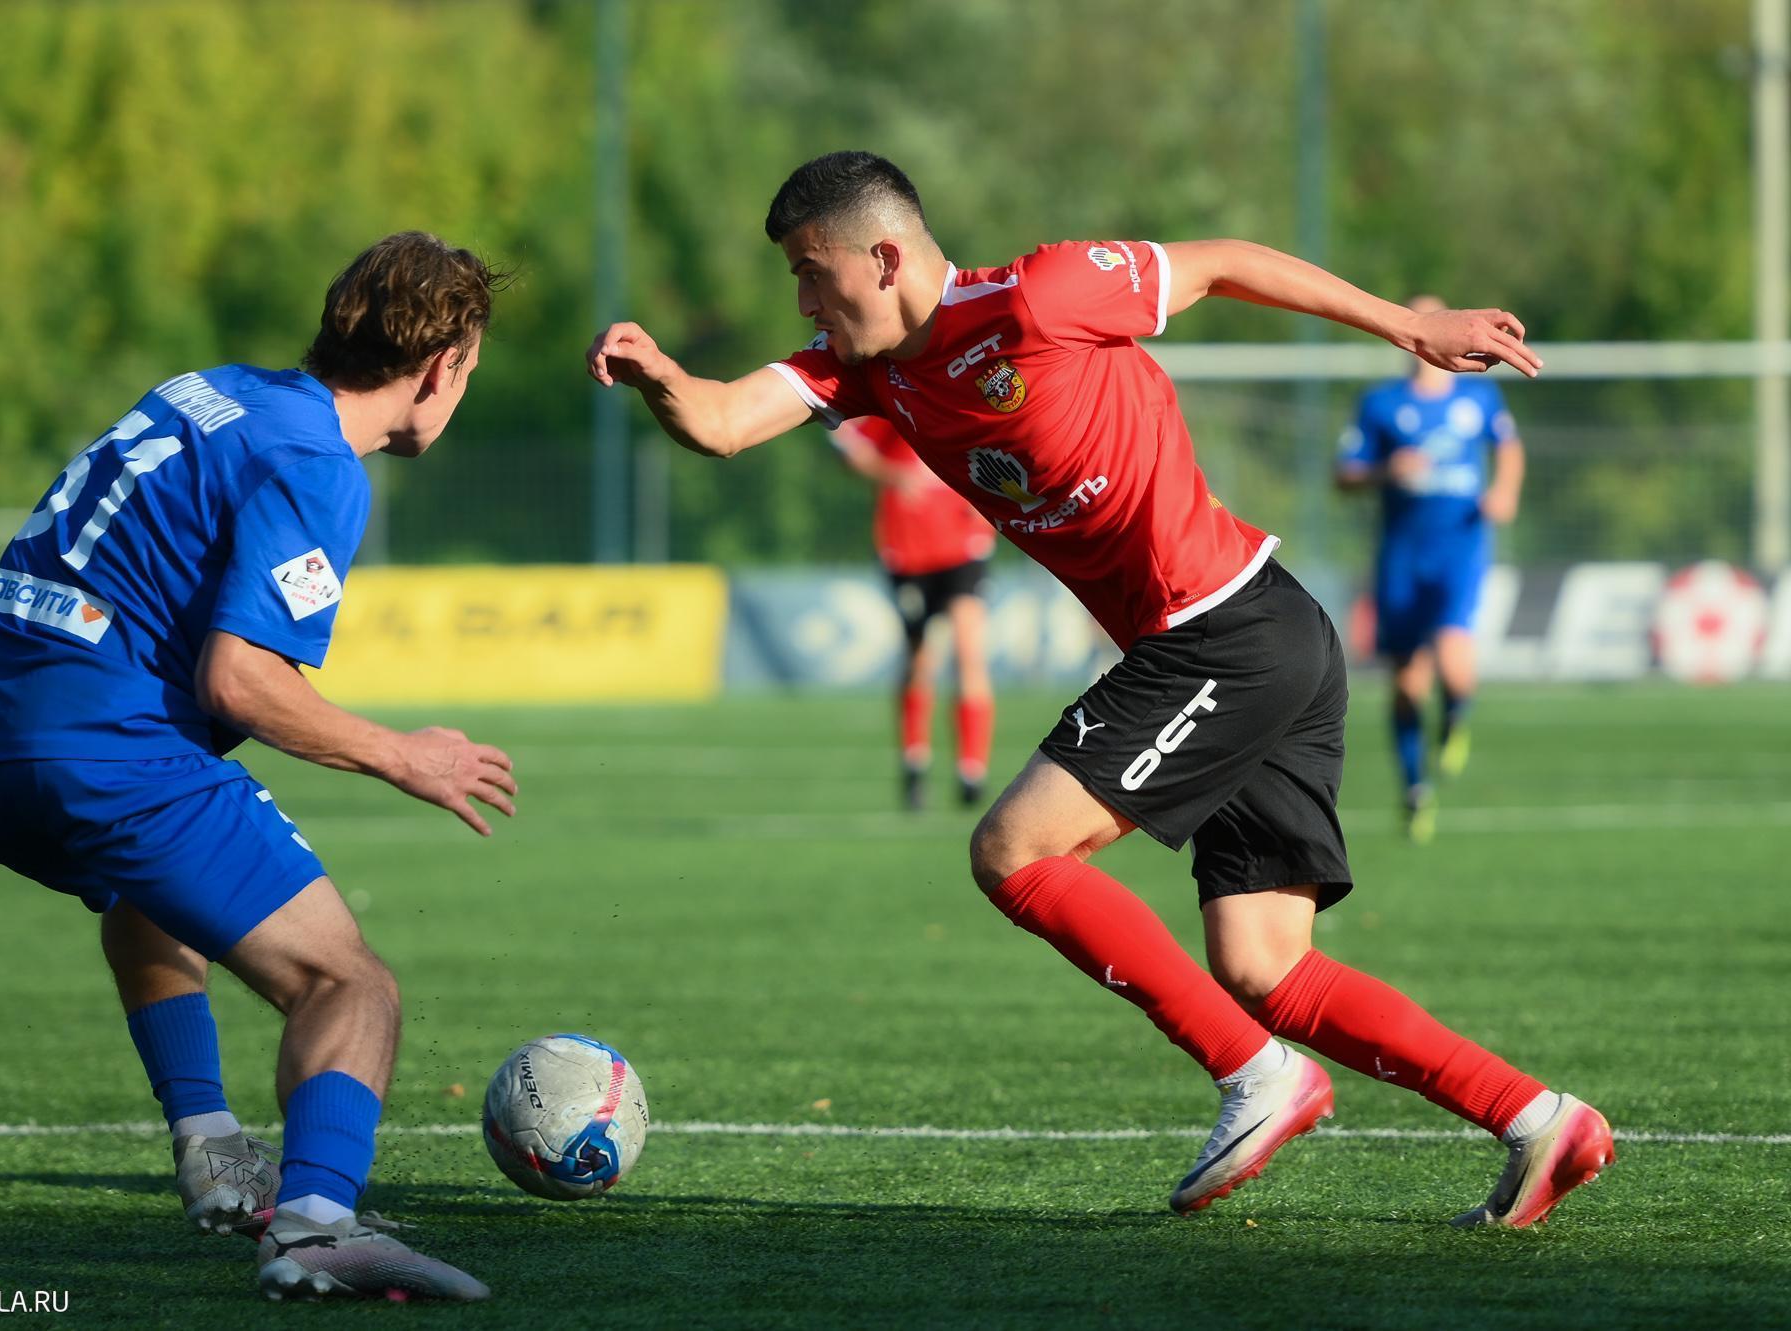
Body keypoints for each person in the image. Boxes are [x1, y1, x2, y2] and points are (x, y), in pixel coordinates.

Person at [587, 151, 1612, 1226]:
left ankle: (1254, 1073)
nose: (802, 300)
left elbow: (1221, 263)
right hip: (1256, 634)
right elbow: (720, 421)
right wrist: (659, 374)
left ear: (883, 258)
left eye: (810, 271)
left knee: (1013, 850)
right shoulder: (870, 370)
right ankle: (1538, 1118)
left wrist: (1407, 327)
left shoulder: (1040, 294)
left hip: (1221, 632)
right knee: (1266, 967)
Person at [0, 232, 516, 1301]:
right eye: (471, 369)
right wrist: (405, 754)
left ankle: (211, 1143)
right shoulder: (317, 463)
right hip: (98, 753)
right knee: (349, 983)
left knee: (150, 885)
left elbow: (74, 576)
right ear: (441, 367)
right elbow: (240, 681)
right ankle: (315, 1226)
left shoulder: (204, 392)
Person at [1337, 295, 1526, 844]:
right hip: (1401, 554)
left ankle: (1456, 719)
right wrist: (1385, 471)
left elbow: (1509, 449)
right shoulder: (1380, 404)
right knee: (1406, 684)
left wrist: (1504, 492)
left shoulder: (1478, 397)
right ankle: (1415, 788)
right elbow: (1344, 474)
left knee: (1454, 659)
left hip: (1460, 545)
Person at [833, 415, 997, 808]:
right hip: (909, 547)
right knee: (920, 659)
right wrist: (894, 475)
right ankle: (915, 762)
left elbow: (1010, 448)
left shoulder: (968, 402)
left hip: (964, 541)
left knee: (968, 651)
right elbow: (847, 447)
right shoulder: (896, 401)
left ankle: (971, 771)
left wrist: (993, 495)